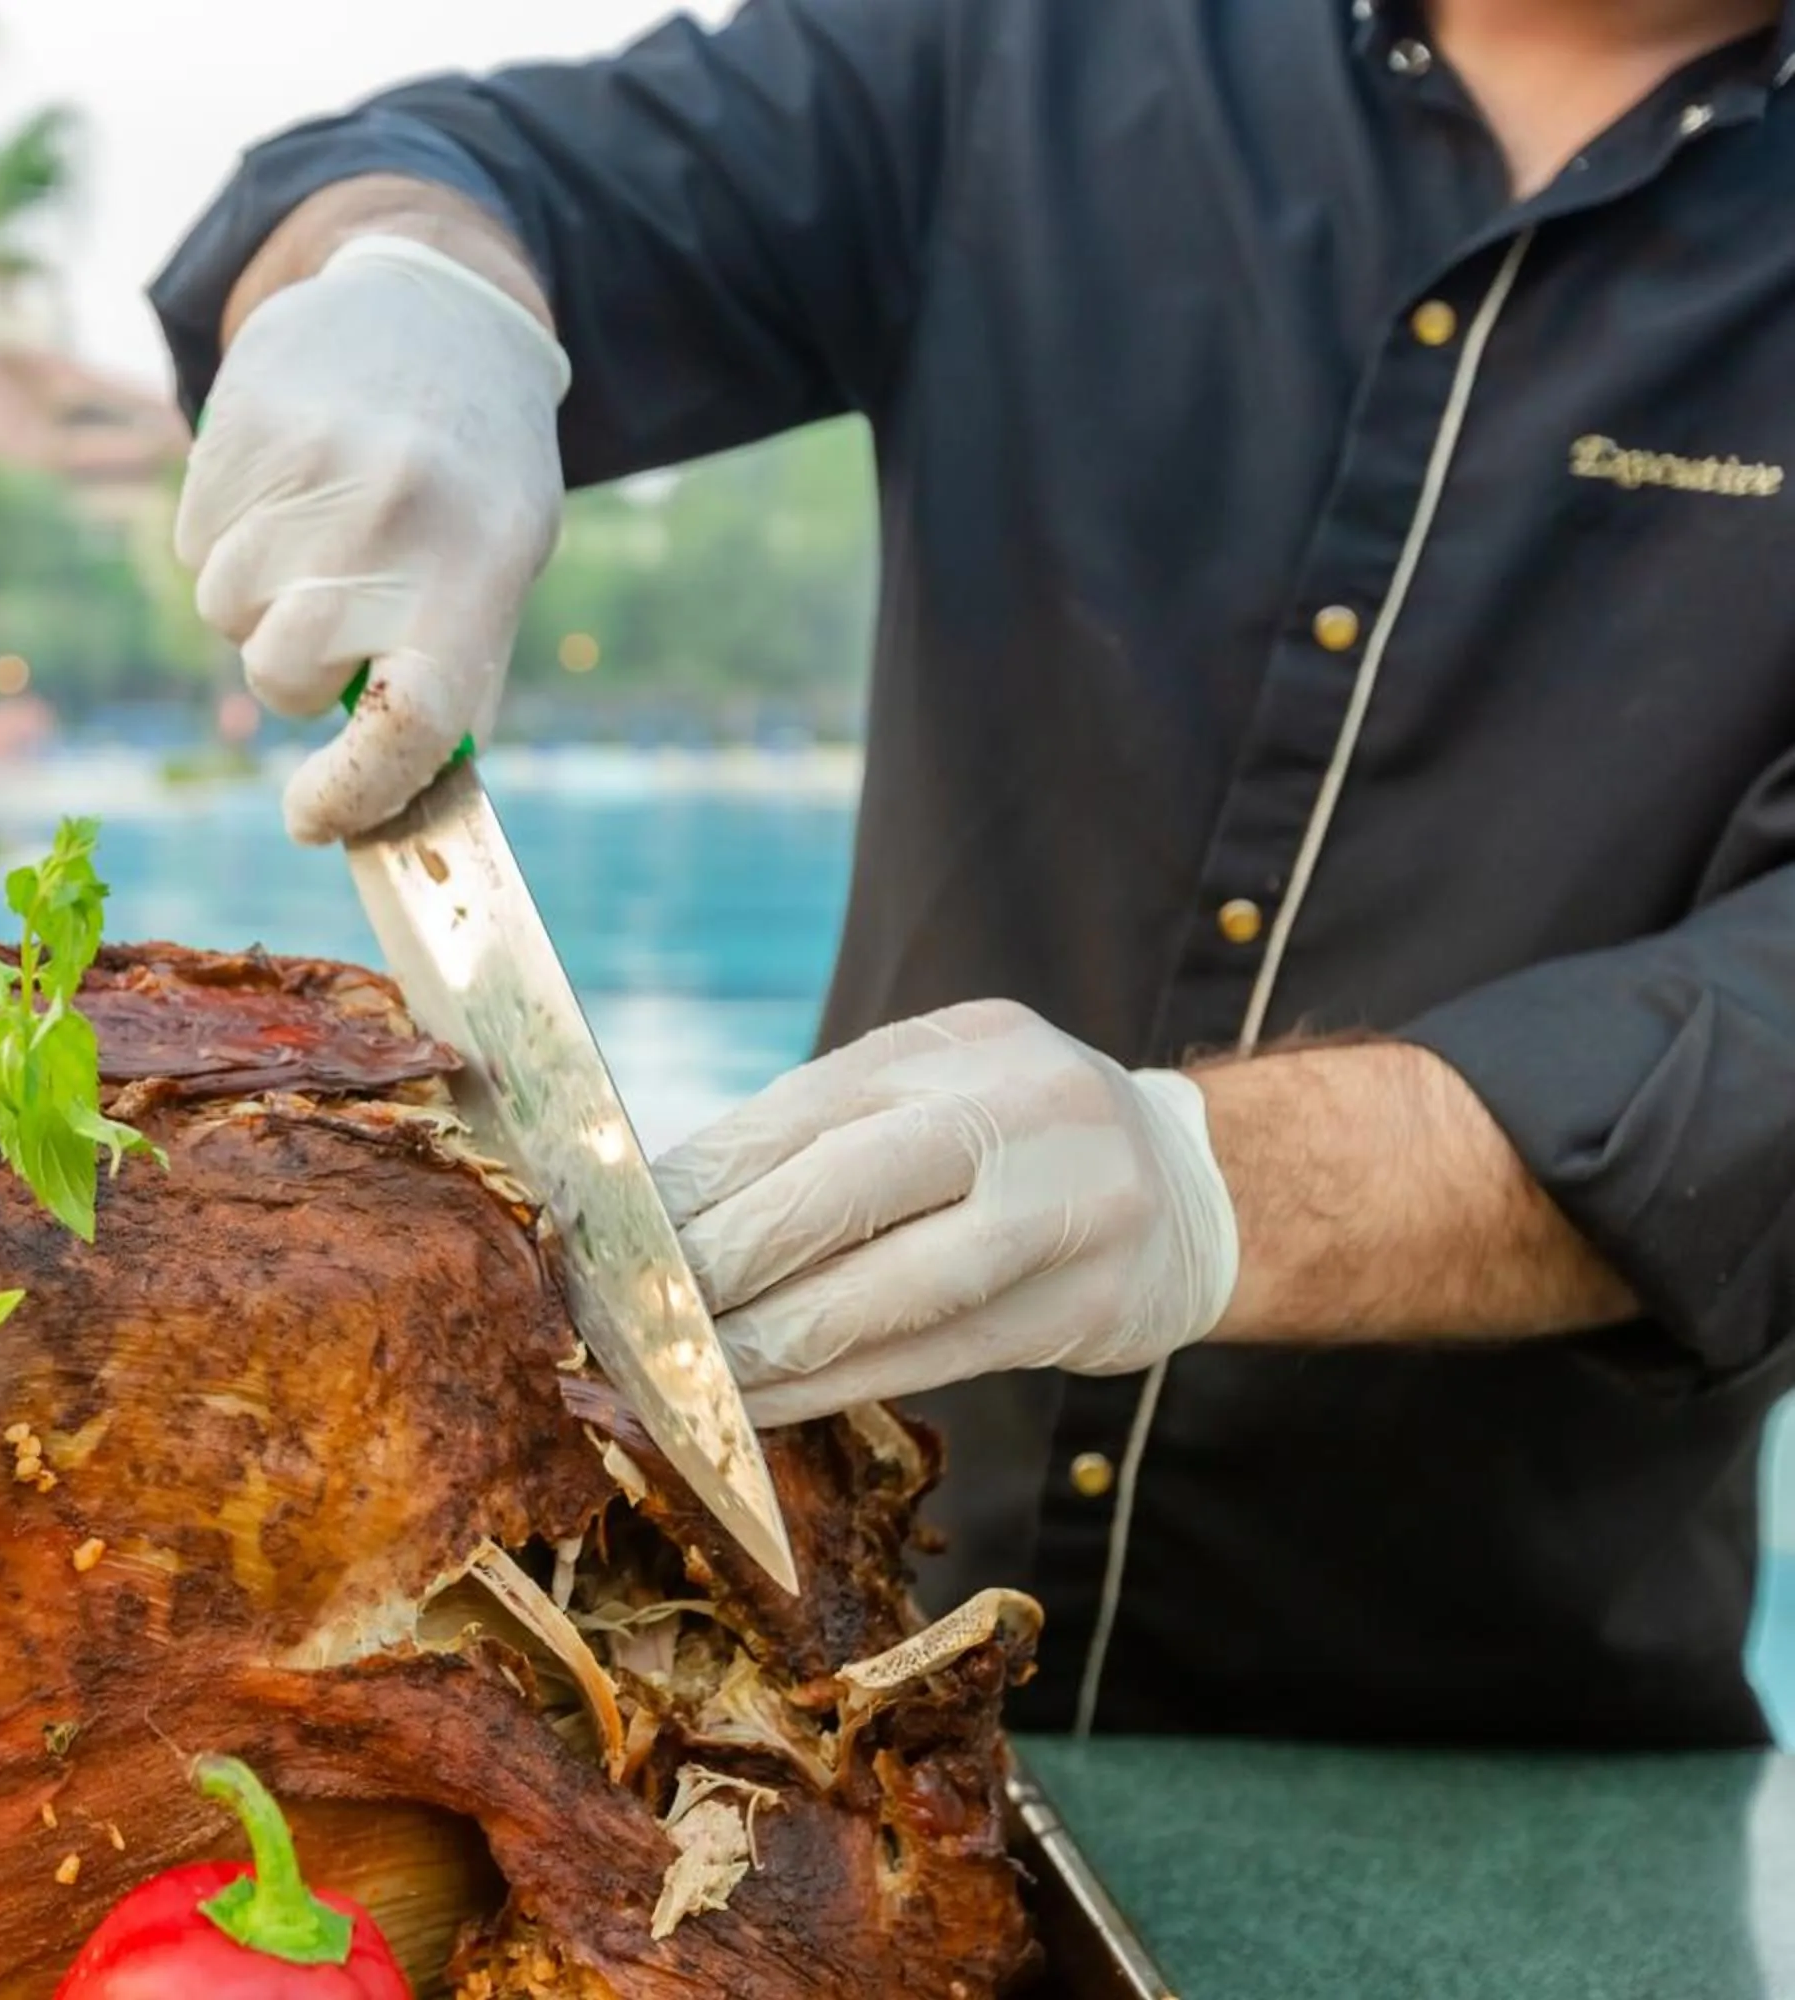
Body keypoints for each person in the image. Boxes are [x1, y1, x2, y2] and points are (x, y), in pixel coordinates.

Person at [149, 0, 1795, 1747]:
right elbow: (478, 172)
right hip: (820, 1678)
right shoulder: (1034, 47)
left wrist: (1213, 1177)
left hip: (1494, 1746)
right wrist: (412, 281)